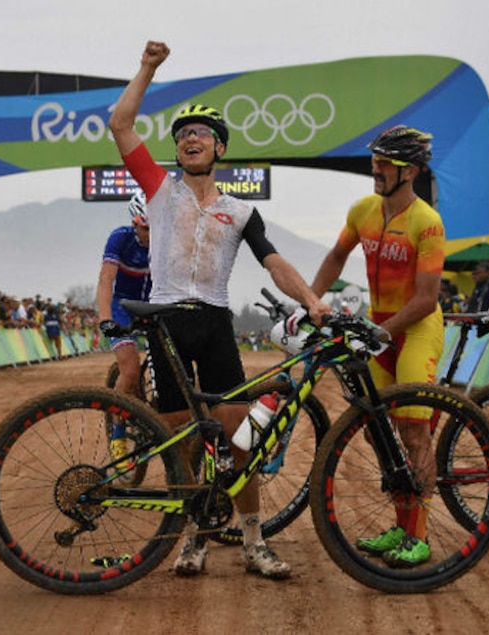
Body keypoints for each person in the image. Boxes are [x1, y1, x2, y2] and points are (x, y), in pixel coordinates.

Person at [108, 40, 330, 581]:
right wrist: (148, 68)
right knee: (181, 441)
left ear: (219, 147)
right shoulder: (160, 192)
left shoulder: (241, 210)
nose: (190, 138)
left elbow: (273, 262)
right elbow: (120, 124)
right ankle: (192, 540)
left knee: (239, 438)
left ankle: (254, 541)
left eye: (201, 133)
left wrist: (311, 299)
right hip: (165, 322)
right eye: (183, 134)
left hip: (213, 322)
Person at [311, 124, 445, 567]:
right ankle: (400, 525)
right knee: (375, 429)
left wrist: (380, 332)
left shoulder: (427, 222)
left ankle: (418, 536)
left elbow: (426, 300)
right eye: (375, 160)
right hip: (381, 329)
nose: (376, 168)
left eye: (386, 162)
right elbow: (336, 257)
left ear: (411, 171)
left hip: (416, 328)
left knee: (413, 431)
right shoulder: (363, 211)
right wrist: (310, 301)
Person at [96, 190, 151, 464]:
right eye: (145, 228)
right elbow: (106, 280)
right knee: (130, 369)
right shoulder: (120, 238)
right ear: (134, 222)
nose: (151, 235)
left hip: (153, 306)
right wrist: (106, 319)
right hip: (123, 307)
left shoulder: (168, 240)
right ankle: (118, 432)